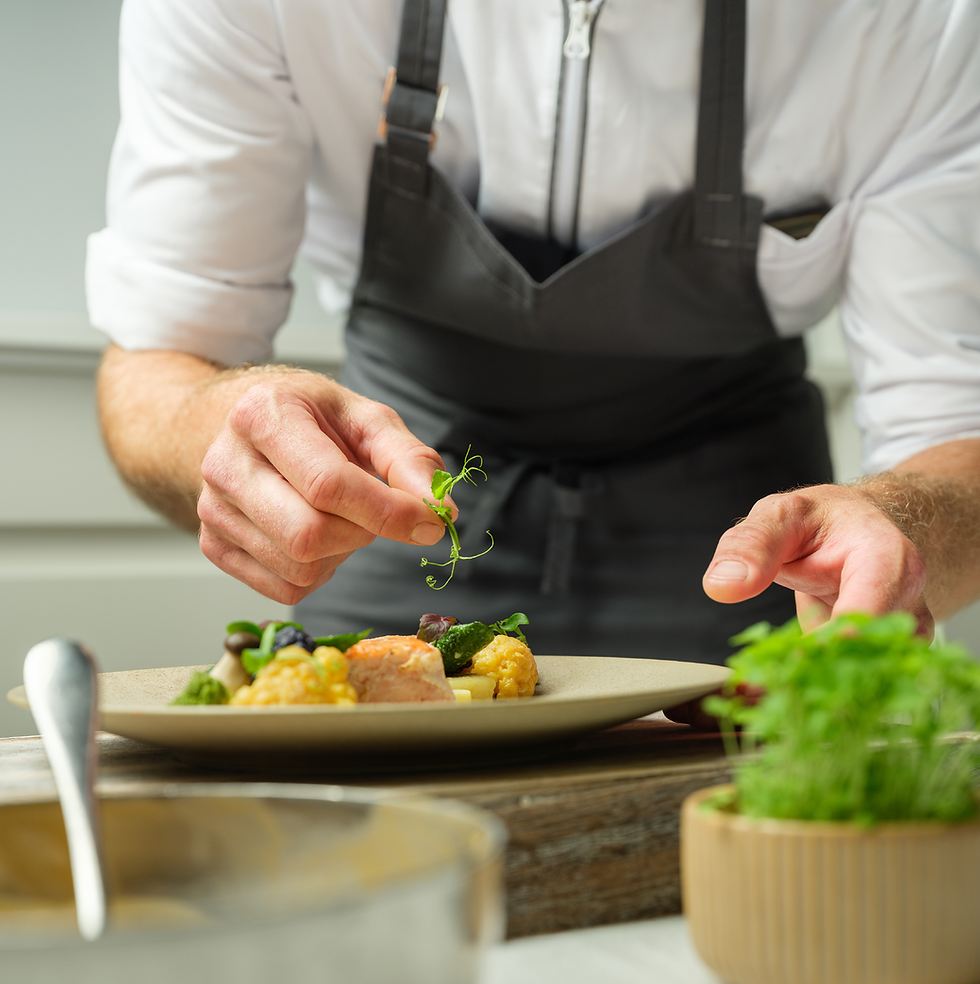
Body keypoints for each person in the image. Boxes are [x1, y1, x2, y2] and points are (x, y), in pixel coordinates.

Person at [89, 0, 980, 665]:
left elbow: (956, 430)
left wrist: (902, 528)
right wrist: (233, 436)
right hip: (391, 541)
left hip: (750, 579)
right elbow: (159, 360)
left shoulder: (918, 23)